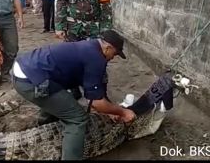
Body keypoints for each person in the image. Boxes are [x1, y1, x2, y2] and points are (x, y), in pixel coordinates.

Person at [11, 29, 136, 160]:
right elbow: (96, 103)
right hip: (29, 80)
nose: (112, 58)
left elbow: (96, 91)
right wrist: (123, 112)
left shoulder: (90, 46)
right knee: (78, 119)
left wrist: (110, 110)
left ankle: (43, 123)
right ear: (108, 48)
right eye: (114, 54)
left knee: (62, 96)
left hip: (24, 67)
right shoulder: (96, 58)